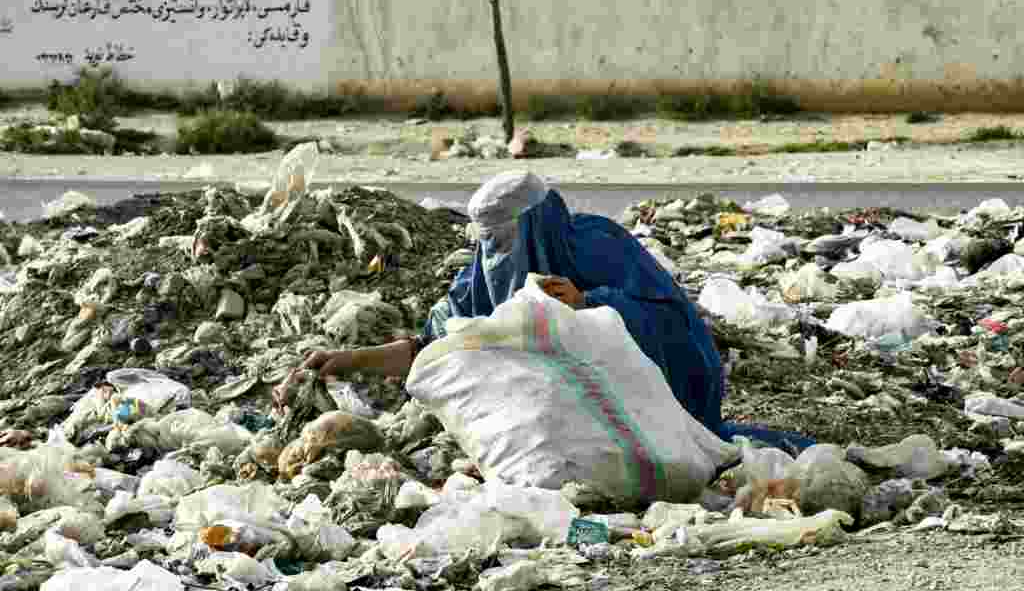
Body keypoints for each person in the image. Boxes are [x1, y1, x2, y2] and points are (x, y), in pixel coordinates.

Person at [290, 171, 813, 453]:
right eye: (486, 241)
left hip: (653, 408)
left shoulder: (595, 246)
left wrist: (593, 305)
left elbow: (676, 326)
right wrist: (352, 358)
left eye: (503, 238)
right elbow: (439, 345)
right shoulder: (483, 272)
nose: (495, 254)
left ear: (536, 224)